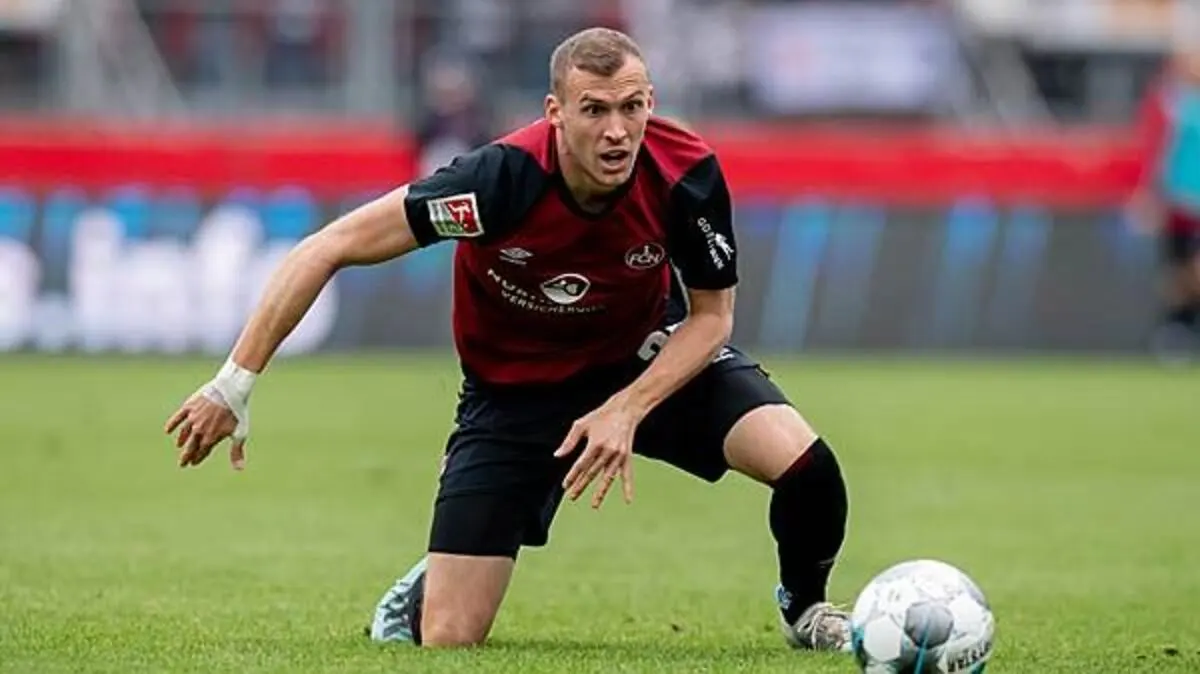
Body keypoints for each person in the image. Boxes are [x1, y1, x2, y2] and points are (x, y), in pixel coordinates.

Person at [163, 27, 852, 652]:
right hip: (514, 397)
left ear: (651, 103)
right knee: (450, 637)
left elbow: (711, 318)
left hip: (644, 359)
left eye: (632, 107)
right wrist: (234, 384)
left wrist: (626, 408)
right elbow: (327, 246)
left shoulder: (685, 175)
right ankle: (429, 582)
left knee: (808, 469)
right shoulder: (496, 183)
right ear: (556, 114)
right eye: (594, 110)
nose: (617, 131)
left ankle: (805, 609)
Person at [1128, 42, 1200, 361]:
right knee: (1177, 269)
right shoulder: (1170, 102)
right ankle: (1177, 326)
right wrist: (1148, 194)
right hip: (1179, 201)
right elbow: (1155, 150)